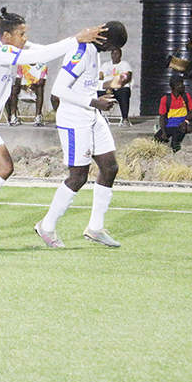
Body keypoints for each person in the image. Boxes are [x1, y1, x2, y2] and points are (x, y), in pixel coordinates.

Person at [0, 7, 107, 244]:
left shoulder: (0, 42)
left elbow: (41, 50)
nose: (25, 39)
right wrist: (76, 39)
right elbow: (41, 56)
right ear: (6, 36)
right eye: (21, 34)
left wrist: (74, 40)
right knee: (4, 167)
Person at [34, 21, 128, 249]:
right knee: (78, 177)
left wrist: (109, 83)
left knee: (110, 168)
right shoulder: (81, 52)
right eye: (114, 46)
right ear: (107, 42)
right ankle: (46, 226)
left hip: (92, 116)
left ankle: (95, 228)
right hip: (74, 120)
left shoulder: (94, 52)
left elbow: (85, 83)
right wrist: (94, 102)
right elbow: (58, 90)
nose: (112, 51)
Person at [155, 75, 192, 152]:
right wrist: (163, 131)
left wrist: (186, 122)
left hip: (181, 125)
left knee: (175, 142)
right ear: (173, 86)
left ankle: (176, 156)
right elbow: (162, 116)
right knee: (156, 139)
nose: (183, 86)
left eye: (182, 83)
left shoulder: (186, 96)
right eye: (180, 84)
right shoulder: (165, 99)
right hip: (169, 126)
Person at [98, 48, 133, 126]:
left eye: (117, 54)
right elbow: (100, 77)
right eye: (113, 53)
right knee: (95, 94)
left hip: (119, 89)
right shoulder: (106, 65)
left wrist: (118, 85)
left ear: (120, 55)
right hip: (107, 89)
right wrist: (107, 86)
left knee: (125, 92)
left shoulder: (124, 64)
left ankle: (125, 119)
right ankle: (98, 118)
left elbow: (128, 77)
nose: (115, 56)